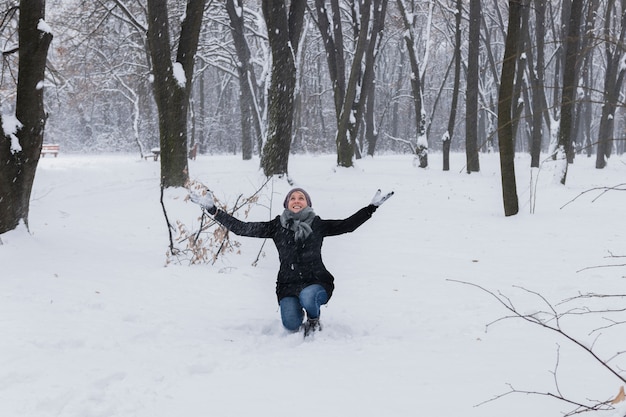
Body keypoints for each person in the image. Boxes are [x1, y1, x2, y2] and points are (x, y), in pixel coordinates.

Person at [189, 187, 393, 335]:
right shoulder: (276, 226)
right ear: (286, 204)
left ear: (307, 203)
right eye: (292, 198)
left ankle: (314, 318)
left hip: (317, 282)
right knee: (291, 325)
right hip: (287, 285)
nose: (297, 200)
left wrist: (371, 208)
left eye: (301, 198)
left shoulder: (318, 224)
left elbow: (348, 225)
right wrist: (213, 211)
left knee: (308, 296)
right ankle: (299, 314)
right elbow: (242, 228)